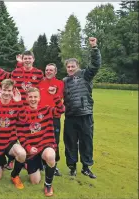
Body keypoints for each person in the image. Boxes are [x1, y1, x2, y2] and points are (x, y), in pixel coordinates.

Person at [63, 37, 101, 179]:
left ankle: (86, 167)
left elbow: (96, 64)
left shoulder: (86, 75)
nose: (71, 68)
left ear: (77, 66)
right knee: (70, 142)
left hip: (85, 115)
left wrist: (94, 48)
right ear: (66, 68)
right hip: (70, 116)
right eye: (68, 67)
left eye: (73, 66)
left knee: (86, 142)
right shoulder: (64, 81)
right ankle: (72, 167)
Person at [18, 87, 65, 197]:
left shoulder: (46, 110)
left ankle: (48, 184)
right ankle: (36, 164)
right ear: (26, 98)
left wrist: (55, 96)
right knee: (34, 181)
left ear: (39, 98)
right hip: (32, 150)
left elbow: (61, 110)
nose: (33, 99)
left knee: (50, 155)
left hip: (45, 145)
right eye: (30, 97)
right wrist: (28, 147)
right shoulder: (22, 113)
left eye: (35, 97)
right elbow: (20, 134)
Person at [0, 79, 26, 190]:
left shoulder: (16, 104)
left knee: (22, 154)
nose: (6, 93)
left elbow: (24, 120)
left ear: (13, 91)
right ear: (0, 90)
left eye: (9, 90)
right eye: (4, 90)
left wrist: (19, 102)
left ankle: (15, 175)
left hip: (10, 141)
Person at [38, 63, 64, 176]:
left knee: (54, 141)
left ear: (55, 72)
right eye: (47, 70)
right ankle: (42, 163)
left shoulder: (60, 83)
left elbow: (60, 98)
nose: (48, 72)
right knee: (40, 140)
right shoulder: (40, 83)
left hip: (54, 117)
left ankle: (54, 165)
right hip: (40, 117)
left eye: (51, 70)